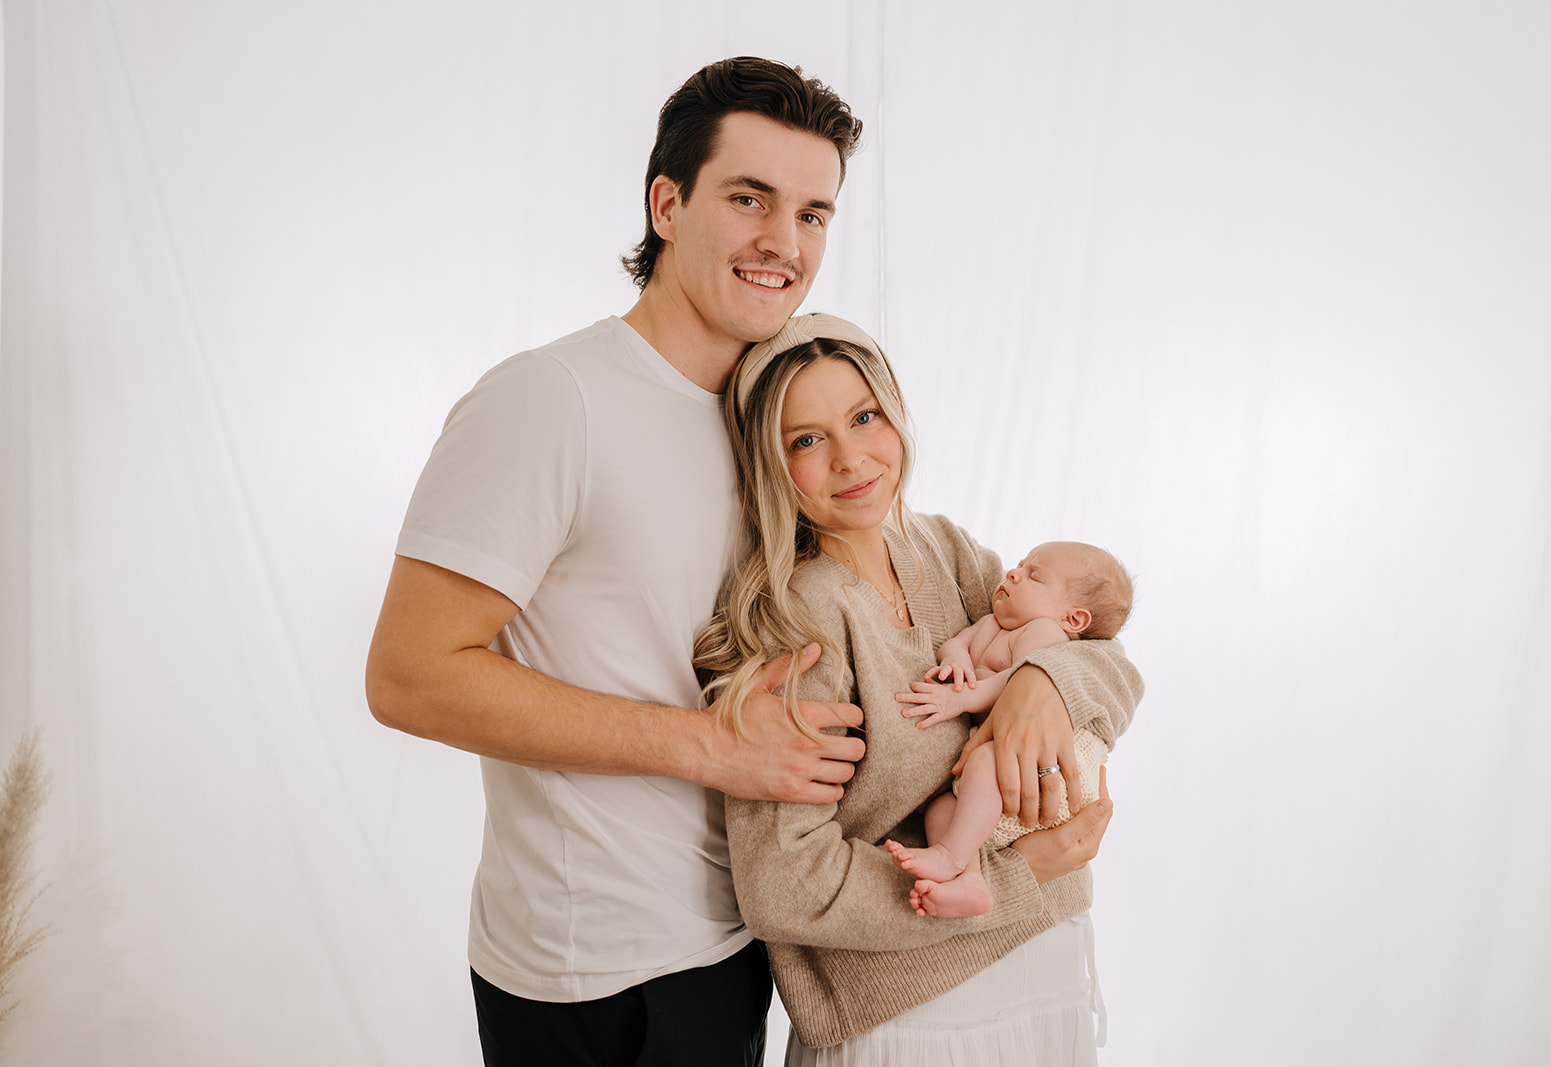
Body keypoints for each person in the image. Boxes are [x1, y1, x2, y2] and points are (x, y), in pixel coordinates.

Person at [365, 58, 873, 1066]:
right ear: (667, 204)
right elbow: (409, 674)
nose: (786, 241)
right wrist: (710, 746)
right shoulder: (553, 399)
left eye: (814, 213)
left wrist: (1043, 675)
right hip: (590, 972)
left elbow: (913, 586)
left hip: (736, 943)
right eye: (750, 198)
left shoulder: (777, 415)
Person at [695, 313, 1143, 1063]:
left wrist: (1043, 681)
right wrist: (1017, 874)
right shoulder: (799, 619)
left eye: (864, 416)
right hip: (909, 1012)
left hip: (1043, 964)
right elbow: (786, 883)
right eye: (806, 439)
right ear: (769, 464)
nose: (850, 458)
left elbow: (1109, 660)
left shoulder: (943, 548)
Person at [888, 541, 1134, 917]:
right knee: (941, 806)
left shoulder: (1043, 633)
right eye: (1019, 565)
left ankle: (953, 856)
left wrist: (960, 700)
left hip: (1041, 769)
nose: (1013, 573)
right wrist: (956, 659)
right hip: (993, 762)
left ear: (1073, 620)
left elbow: (1018, 684)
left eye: (1034, 575)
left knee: (986, 760)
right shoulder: (991, 623)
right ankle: (965, 874)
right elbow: (956, 643)